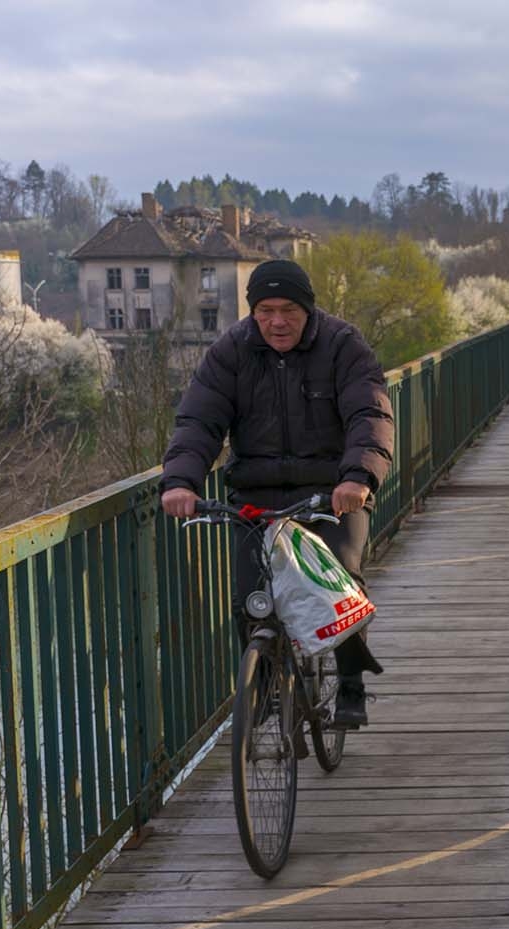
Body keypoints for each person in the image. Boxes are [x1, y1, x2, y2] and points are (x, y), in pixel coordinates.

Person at [160, 258, 394, 729]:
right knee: (251, 597)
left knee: (341, 581)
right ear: (252, 312)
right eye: (265, 310)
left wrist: (357, 479)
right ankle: (262, 679)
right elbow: (199, 421)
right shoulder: (231, 351)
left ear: (307, 310)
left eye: (288, 309)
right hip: (256, 496)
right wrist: (181, 481)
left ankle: (350, 680)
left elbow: (369, 417)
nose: (277, 321)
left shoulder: (342, 345)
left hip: (331, 495)